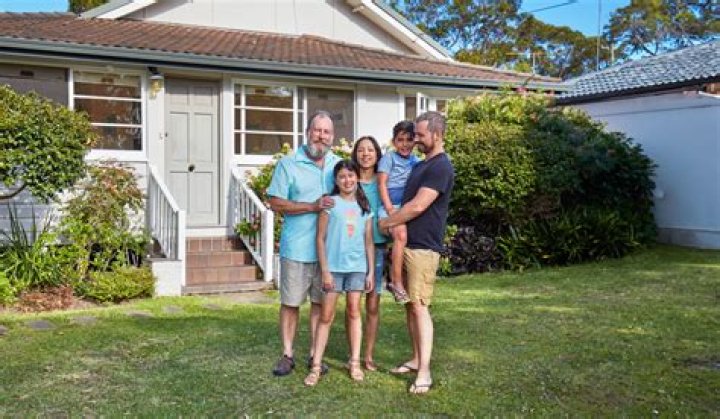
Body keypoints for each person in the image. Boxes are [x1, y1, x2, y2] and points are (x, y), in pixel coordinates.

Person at [379, 111, 454, 395]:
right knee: (410, 306)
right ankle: (415, 358)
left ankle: (424, 372)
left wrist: (387, 222)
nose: (416, 140)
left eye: (421, 135)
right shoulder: (422, 164)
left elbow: (418, 206)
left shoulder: (441, 167)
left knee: (420, 306)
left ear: (437, 134)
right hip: (409, 243)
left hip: (424, 246)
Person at [268, 110, 341, 377]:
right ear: (308, 132)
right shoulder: (288, 164)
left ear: (333, 136)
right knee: (291, 303)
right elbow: (275, 202)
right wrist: (311, 206)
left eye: (326, 132)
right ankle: (287, 355)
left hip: (328, 252)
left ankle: (314, 355)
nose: (321, 136)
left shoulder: (338, 165)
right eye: (317, 130)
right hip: (297, 247)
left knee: (320, 304)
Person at [305, 160, 375, 386]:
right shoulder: (330, 204)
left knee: (354, 312)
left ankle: (354, 362)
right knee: (326, 316)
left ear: (357, 178)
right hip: (333, 269)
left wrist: (370, 272)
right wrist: (325, 271)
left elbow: (368, 242)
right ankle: (316, 366)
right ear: (336, 180)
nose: (347, 180)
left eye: (351, 175)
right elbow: (320, 239)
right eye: (342, 176)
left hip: (357, 268)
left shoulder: (364, 207)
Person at [351, 135, 387, 371]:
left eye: (370, 150)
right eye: (361, 150)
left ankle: (368, 355)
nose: (365, 154)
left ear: (377, 154)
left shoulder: (383, 181)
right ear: (355, 154)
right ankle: (353, 353)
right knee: (353, 305)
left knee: (372, 305)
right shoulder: (349, 180)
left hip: (377, 247)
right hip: (352, 249)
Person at [377, 121, 419, 304]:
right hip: (389, 207)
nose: (405, 144)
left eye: (409, 140)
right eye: (400, 140)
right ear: (393, 142)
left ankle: (400, 279)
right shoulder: (389, 158)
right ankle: (396, 281)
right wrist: (389, 209)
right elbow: (381, 184)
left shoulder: (416, 162)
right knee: (400, 234)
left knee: (405, 239)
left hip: (405, 208)